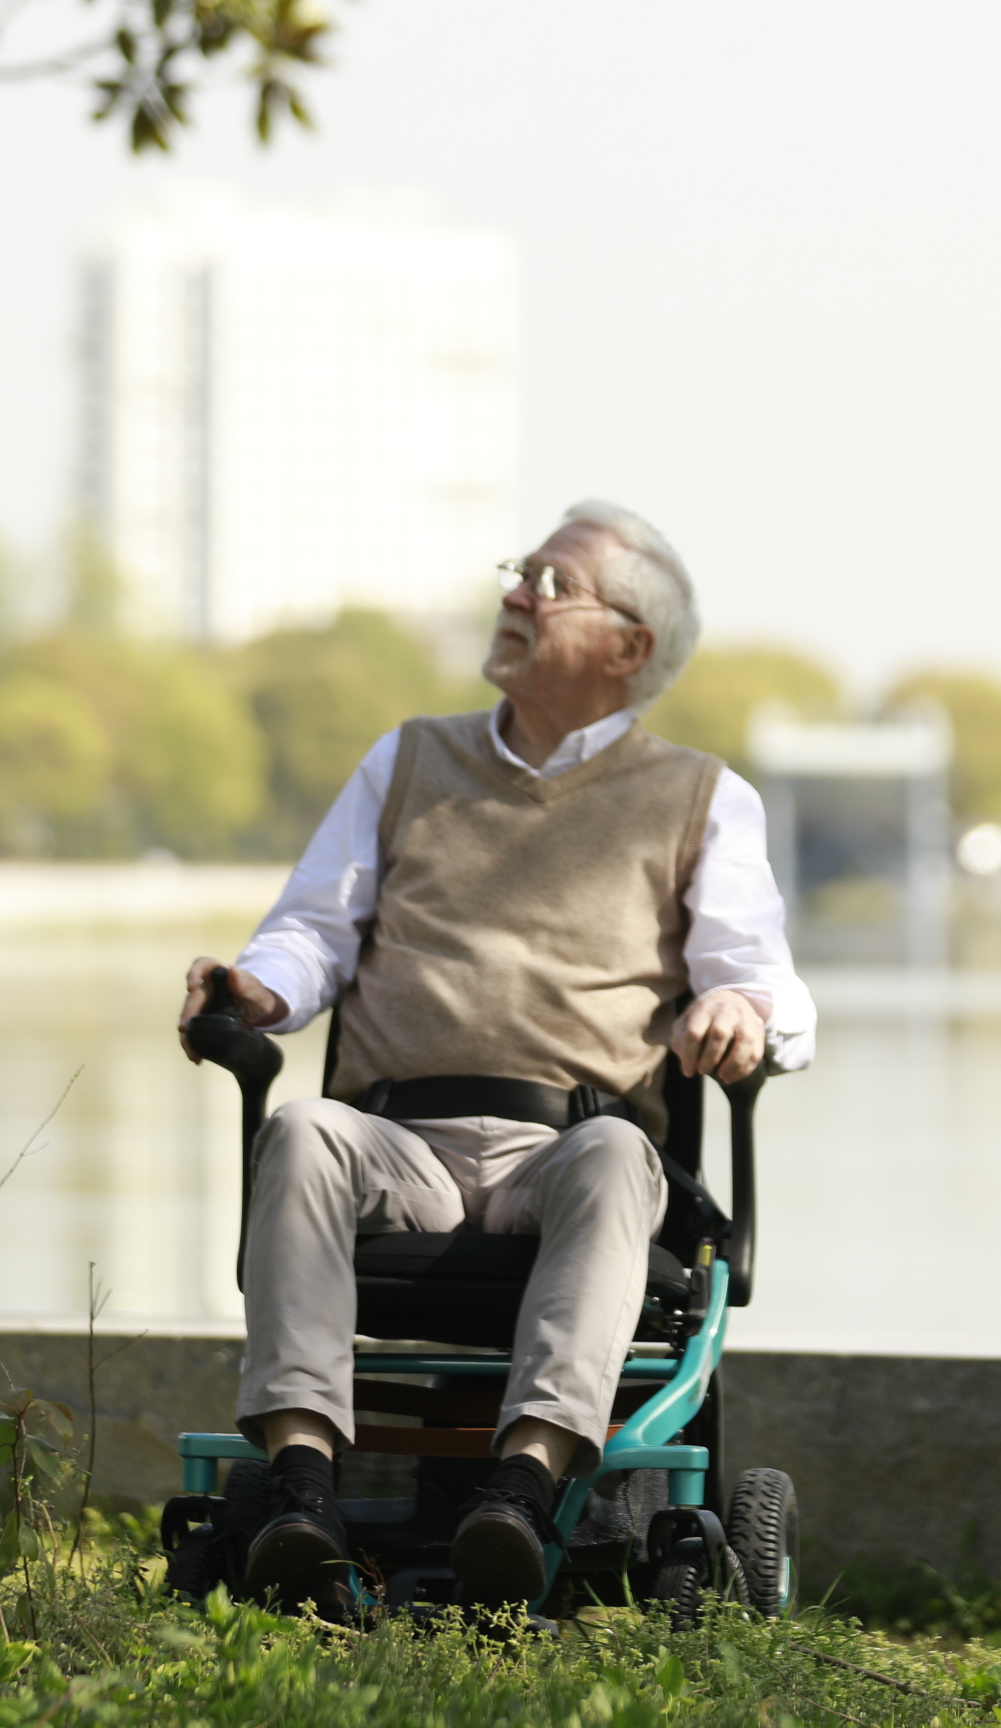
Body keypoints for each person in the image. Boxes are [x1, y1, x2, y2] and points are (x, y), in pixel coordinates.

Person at [178, 499, 813, 1610]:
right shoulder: (410, 759)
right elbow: (312, 931)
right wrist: (257, 987)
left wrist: (747, 1014)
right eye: (522, 571)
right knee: (300, 1128)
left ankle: (520, 1493)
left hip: (563, 1151)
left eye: (554, 584)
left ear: (629, 646)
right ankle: (301, 1489)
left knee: (624, 1156)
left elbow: (761, 979)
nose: (519, 592)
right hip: (397, 1141)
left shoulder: (700, 797)